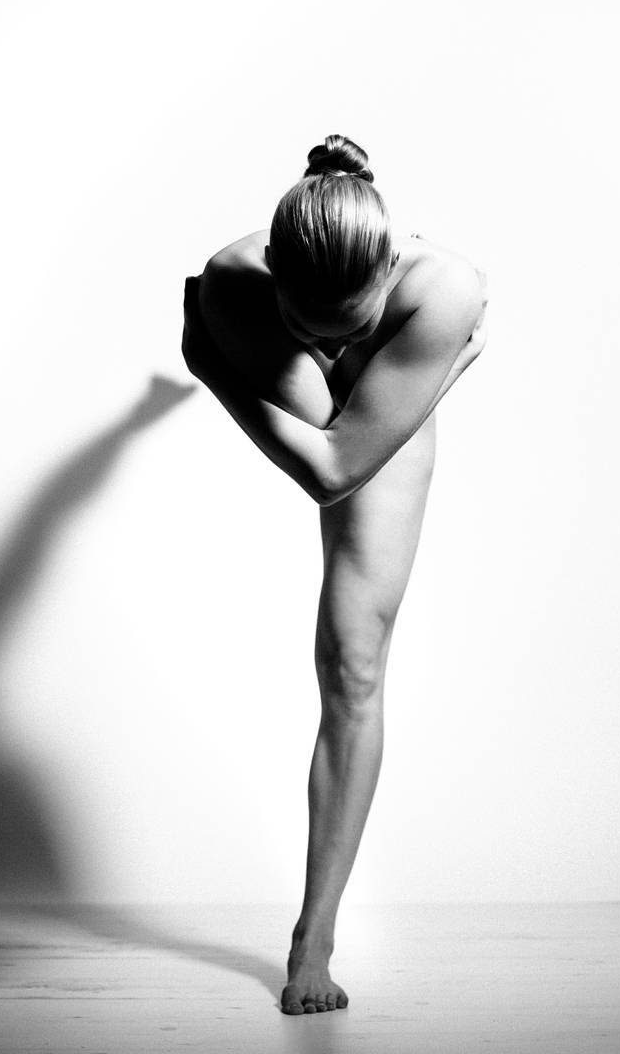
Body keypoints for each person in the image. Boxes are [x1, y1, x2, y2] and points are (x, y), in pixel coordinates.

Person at [181, 134, 488, 1015]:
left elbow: (336, 469)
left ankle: (314, 934)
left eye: (349, 324)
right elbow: (327, 467)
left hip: (387, 383)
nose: (330, 341)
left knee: (354, 666)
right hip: (319, 384)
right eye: (311, 326)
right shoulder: (235, 281)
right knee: (335, 449)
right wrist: (222, 366)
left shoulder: (443, 289)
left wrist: (211, 370)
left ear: (387, 268)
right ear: (276, 273)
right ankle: (313, 935)